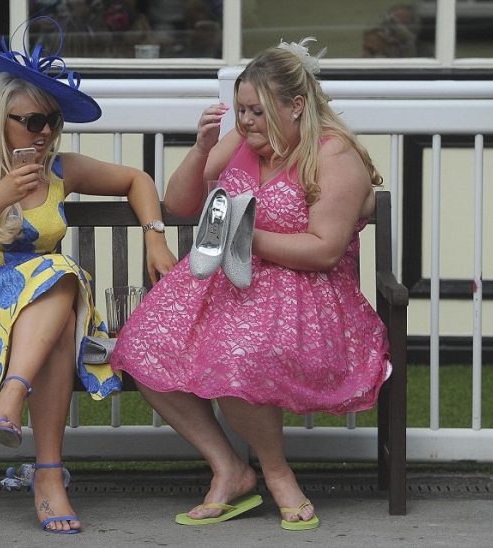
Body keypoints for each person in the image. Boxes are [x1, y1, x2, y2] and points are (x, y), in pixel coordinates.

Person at [110, 37, 390, 530]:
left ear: (296, 106)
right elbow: (181, 204)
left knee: (238, 351)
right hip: (225, 284)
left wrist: (247, 235)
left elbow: (325, 250)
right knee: (143, 345)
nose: (245, 121)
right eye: (240, 110)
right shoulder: (240, 141)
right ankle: (230, 469)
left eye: (257, 111)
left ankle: (278, 474)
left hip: (307, 294)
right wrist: (201, 150)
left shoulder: (332, 154)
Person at [0, 20, 176, 534]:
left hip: (47, 306)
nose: (44, 135)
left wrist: (154, 234)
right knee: (63, 281)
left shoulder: (60, 170)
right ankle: (47, 473)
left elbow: (137, 179)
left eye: (53, 123)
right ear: (1, 119)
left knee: (59, 291)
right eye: (33, 122)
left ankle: (27, 432)